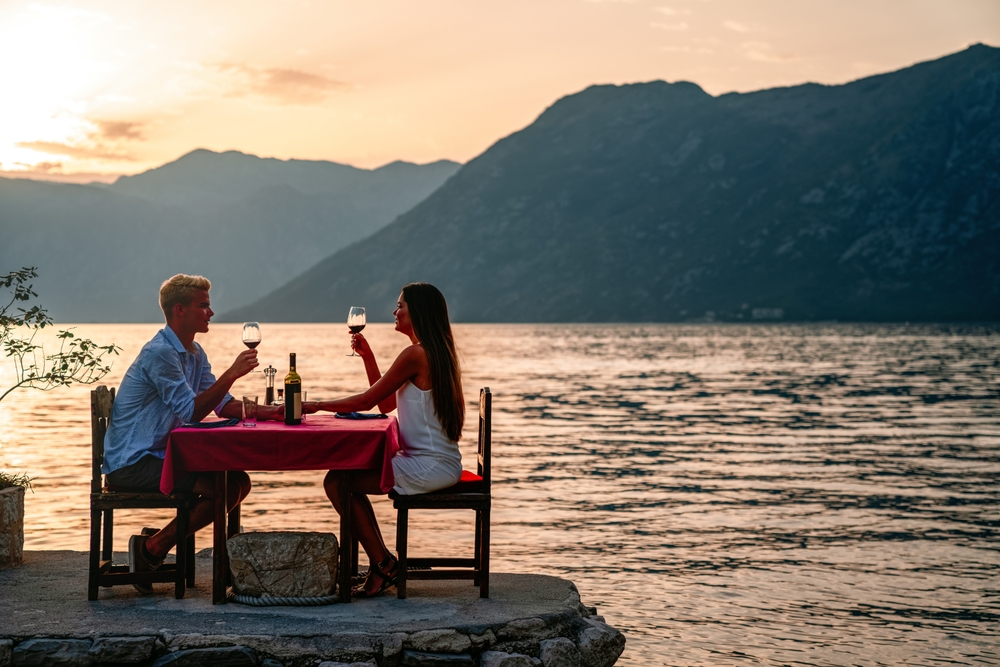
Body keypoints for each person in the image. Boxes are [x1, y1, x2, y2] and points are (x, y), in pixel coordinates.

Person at [103, 274, 280, 594]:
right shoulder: (160, 354)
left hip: (160, 456)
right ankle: (152, 549)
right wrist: (232, 373)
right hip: (131, 463)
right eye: (204, 306)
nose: (211, 313)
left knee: (237, 480)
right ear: (180, 310)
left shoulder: (194, 353)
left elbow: (222, 406)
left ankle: (154, 544)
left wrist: (273, 412)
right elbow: (190, 411)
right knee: (221, 489)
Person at [305, 282, 465, 597]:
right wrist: (369, 358)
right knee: (341, 478)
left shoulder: (416, 354)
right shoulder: (430, 351)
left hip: (432, 466)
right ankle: (384, 563)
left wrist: (317, 405)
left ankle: (383, 565)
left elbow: (367, 402)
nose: (395, 311)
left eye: (400, 305)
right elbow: (387, 404)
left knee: (338, 482)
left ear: (417, 312)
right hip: (432, 461)